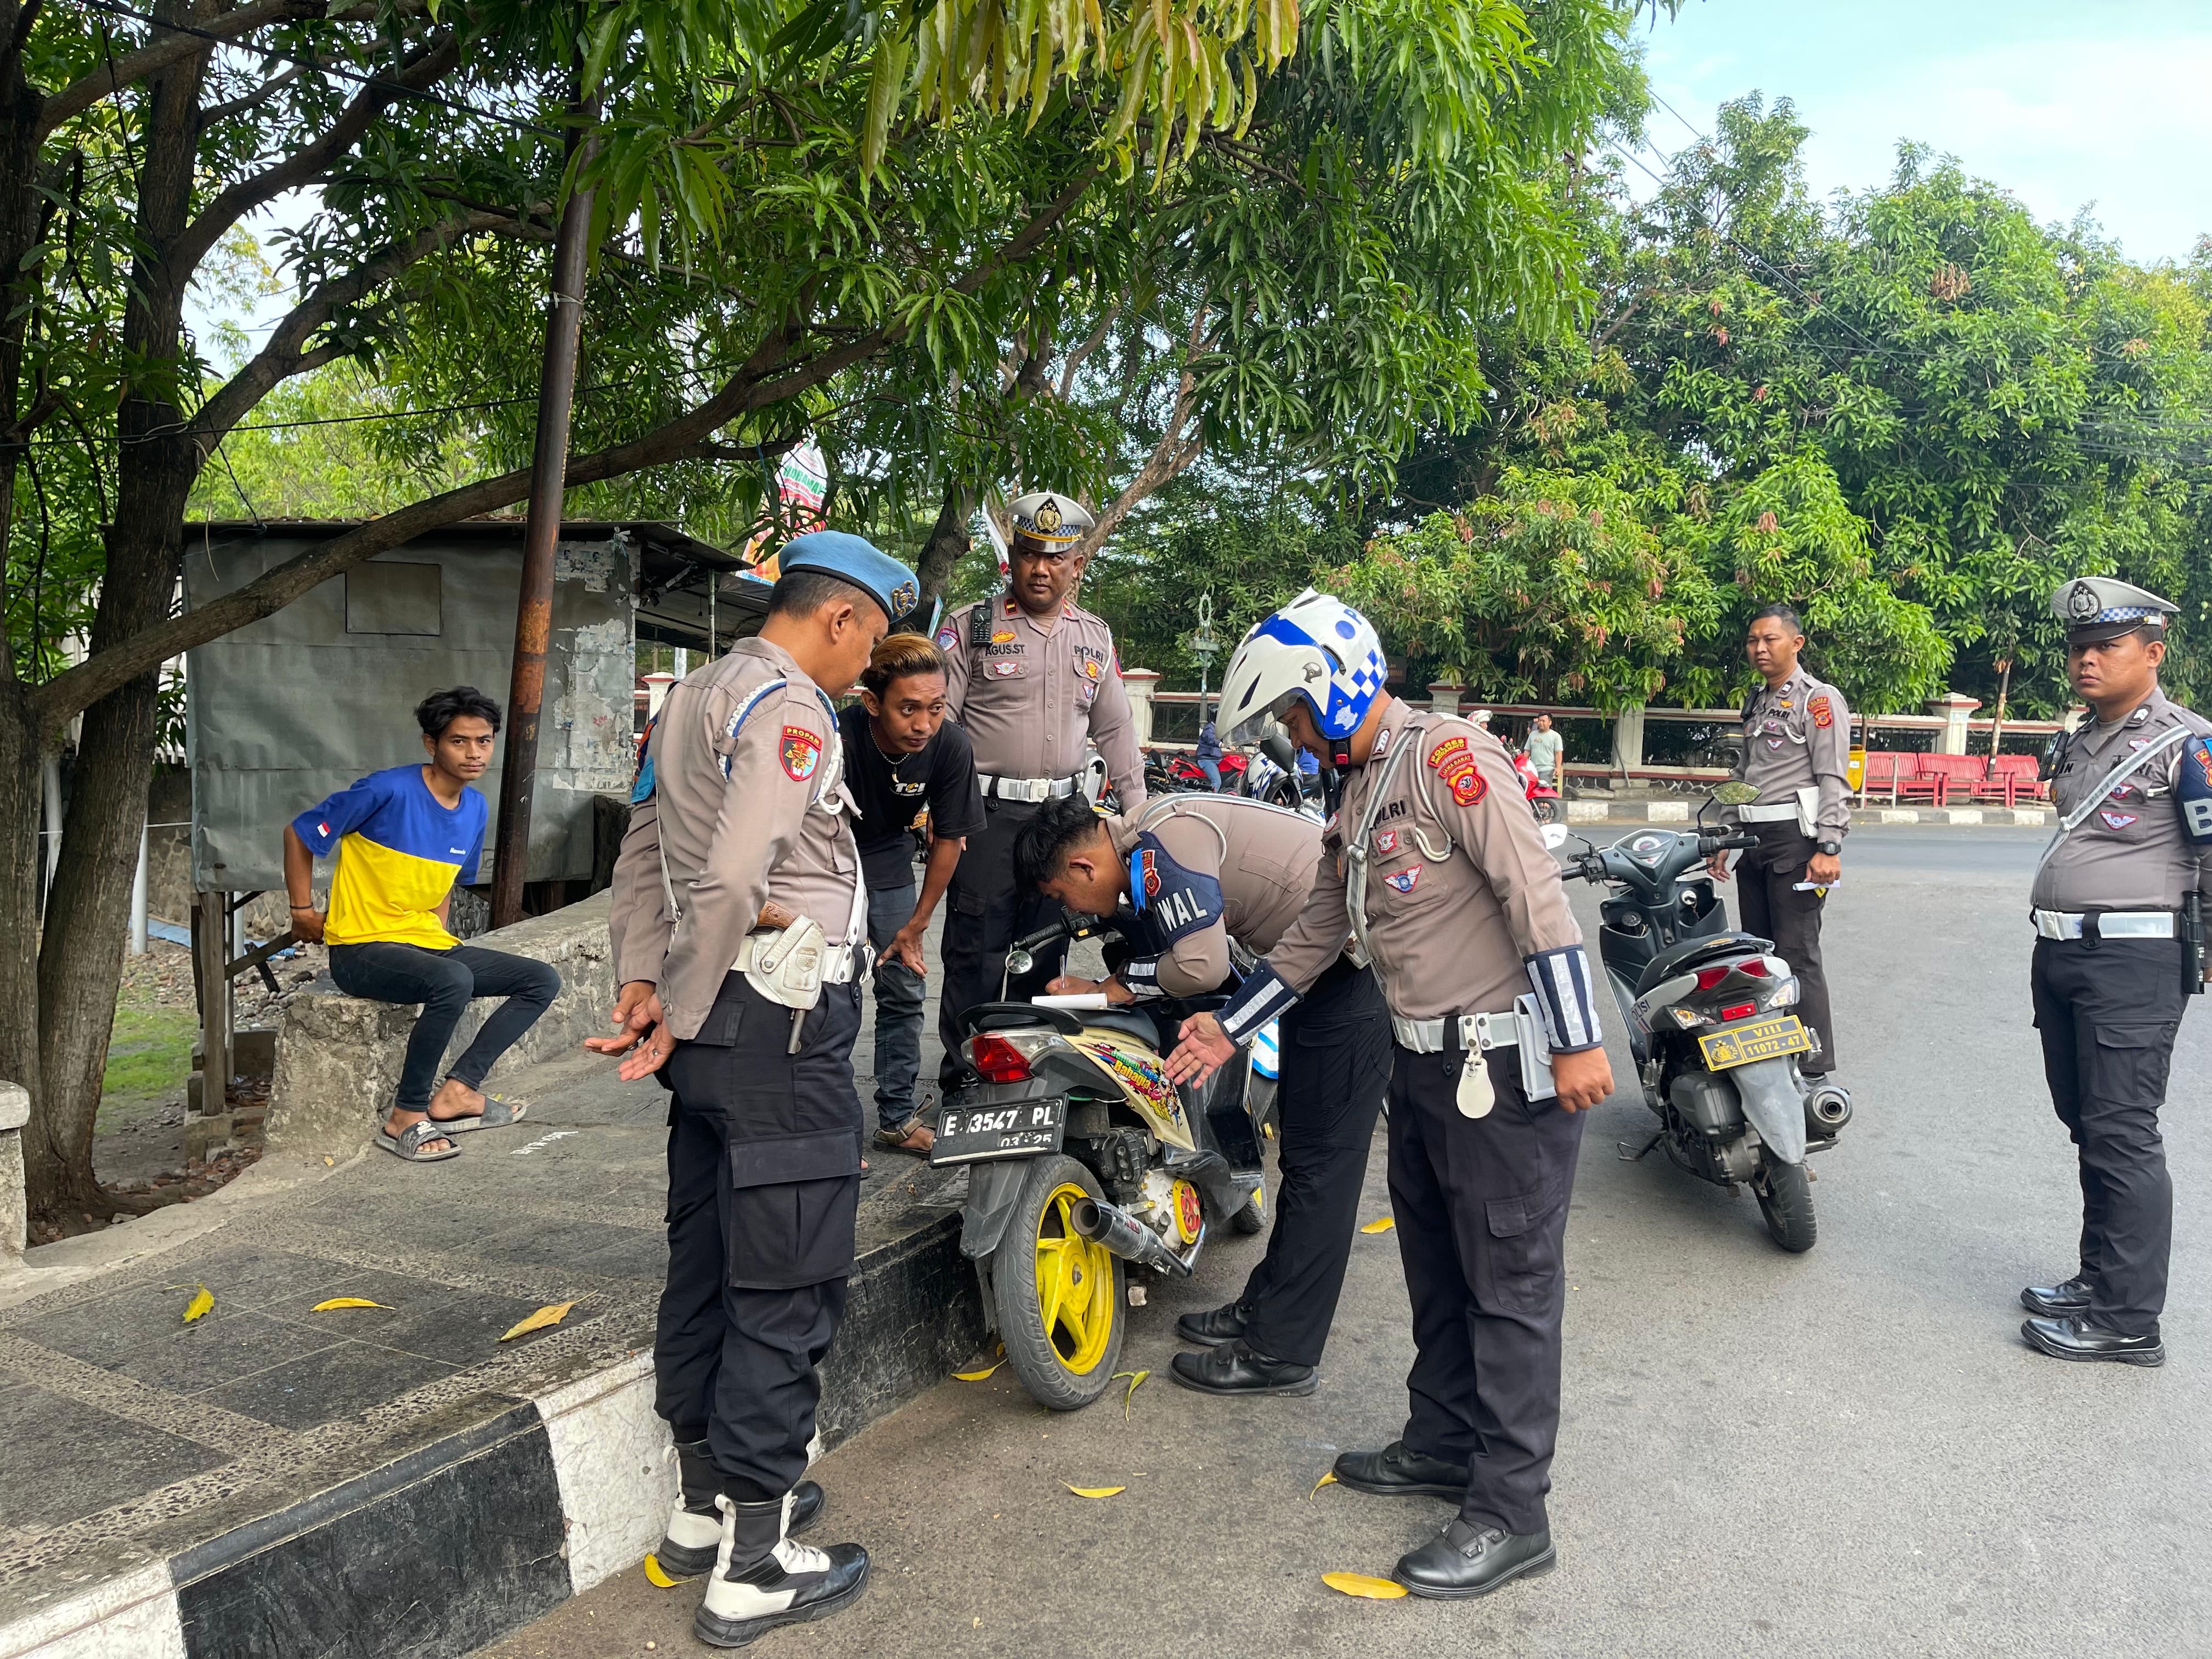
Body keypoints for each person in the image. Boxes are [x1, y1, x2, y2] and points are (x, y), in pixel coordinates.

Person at [1165, 589, 1612, 1600]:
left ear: (1331, 687)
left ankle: (1510, 1511)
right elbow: (1316, 937)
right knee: (1437, 1271)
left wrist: (1581, 1038)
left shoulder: (1451, 756)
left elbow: (1530, 889)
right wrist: (1222, 1026)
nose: (1287, 731)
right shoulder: (1359, 792)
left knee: (1508, 1288)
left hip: (1500, 1068)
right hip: (1421, 1069)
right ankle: (1443, 1438)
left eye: (1289, 711)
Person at [594, 532, 917, 1647]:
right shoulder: (790, 707)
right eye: (868, 645)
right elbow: (735, 877)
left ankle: (701, 1510)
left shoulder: (689, 697)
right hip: (778, 1024)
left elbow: (644, 851)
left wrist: (647, 981)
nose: (864, 670)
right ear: (839, 620)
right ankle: (758, 1565)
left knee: (711, 1262)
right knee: (786, 1279)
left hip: (716, 1033)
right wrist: (674, 1004)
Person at [1012, 791, 1389, 1398]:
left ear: (1083, 868)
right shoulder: (1144, 838)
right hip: (1313, 976)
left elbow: (1202, 967)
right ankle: (1264, 1311)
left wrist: (1115, 987)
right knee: (1302, 1159)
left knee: (1323, 1169)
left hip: (1353, 975)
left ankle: (1282, 1353)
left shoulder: (1164, 847)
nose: (1071, 909)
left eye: (1062, 896)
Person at [2018, 576, 2212, 1369]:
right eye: (2077, 648)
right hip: (2064, 955)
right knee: (2089, 1125)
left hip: (2134, 959)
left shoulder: (2188, 742)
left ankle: (2130, 1320)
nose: (2086, 660)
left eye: (2106, 646)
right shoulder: (2082, 738)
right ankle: (2099, 1279)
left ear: (2153, 653)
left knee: (2124, 1133)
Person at [283, 686, 557, 1163]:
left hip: (422, 944)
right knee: (453, 980)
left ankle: (458, 1093)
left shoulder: (474, 808)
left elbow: (443, 884)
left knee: (540, 980)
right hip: (361, 947)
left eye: (484, 741)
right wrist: (302, 911)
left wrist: (439, 938)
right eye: (459, 741)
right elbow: (300, 832)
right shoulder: (386, 790)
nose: (474, 753)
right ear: (432, 744)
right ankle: (404, 1117)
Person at [932, 491, 1146, 1087]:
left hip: (1065, 820)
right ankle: (964, 1082)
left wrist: (1142, 814)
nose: (1041, 569)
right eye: (1030, 555)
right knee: (976, 953)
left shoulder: (1094, 638)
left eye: (1057, 558)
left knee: (1046, 947)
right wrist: (943, 815)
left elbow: (1118, 731)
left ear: (1078, 564)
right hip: (987, 817)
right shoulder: (972, 628)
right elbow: (942, 731)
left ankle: (1025, 1076)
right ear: (1014, 559)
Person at [838, 633, 985, 1154]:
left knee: (903, 988)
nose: (924, 724)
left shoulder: (950, 744)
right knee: (830, 994)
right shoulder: (838, 736)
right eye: (908, 710)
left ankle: (897, 1118)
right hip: (824, 862)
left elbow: (950, 838)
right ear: (872, 702)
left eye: (936, 707)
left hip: (888, 865)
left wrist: (918, 923)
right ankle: (825, 1133)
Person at [1706, 603, 1851, 1082]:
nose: (1760, 648)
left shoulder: (1819, 700)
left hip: (1796, 842)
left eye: (1770, 639)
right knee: (1761, 955)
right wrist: (1726, 834)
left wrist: (1828, 847)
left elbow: (1834, 779)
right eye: (1753, 640)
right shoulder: (1756, 701)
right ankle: (1771, 1058)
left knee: (1798, 954)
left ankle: (1813, 1070)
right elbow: (1745, 774)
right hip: (1754, 839)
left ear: (1797, 643)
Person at [1524, 714, 1563, 791]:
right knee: (1532, 792)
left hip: (1547, 770)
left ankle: (1546, 803)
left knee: (1544, 793)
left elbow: (1558, 753)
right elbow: (1527, 751)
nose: (1541, 723)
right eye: (1539, 721)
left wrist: (1558, 768)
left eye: (1543, 721)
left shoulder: (1556, 736)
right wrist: (1523, 764)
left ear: (1550, 722)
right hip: (1532, 770)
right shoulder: (1532, 735)